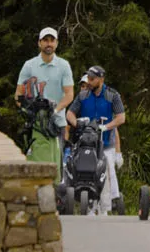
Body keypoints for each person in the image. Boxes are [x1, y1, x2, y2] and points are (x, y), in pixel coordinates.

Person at [66, 65, 126, 215]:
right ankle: (90, 205)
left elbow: (121, 118)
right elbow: (70, 114)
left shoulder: (112, 95)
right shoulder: (83, 96)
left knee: (106, 174)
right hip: (86, 143)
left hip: (106, 144)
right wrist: (76, 123)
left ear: (101, 79)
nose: (90, 82)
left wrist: (106, 127)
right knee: (86, 173)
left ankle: (105, 209)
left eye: (92, 79)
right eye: (89, 79)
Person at [15, 26, 74, 166]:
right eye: (45, 40)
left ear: (57, 43)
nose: (49, 43)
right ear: (39, 43)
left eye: (52, 40)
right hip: (35, 125)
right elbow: (18, 94)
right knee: (34, 164)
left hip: (57, 124)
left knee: (55, 166)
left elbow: (69, 94)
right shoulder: (29, 66)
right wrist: (28, 111)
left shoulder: (64, 65)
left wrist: (54, 110)